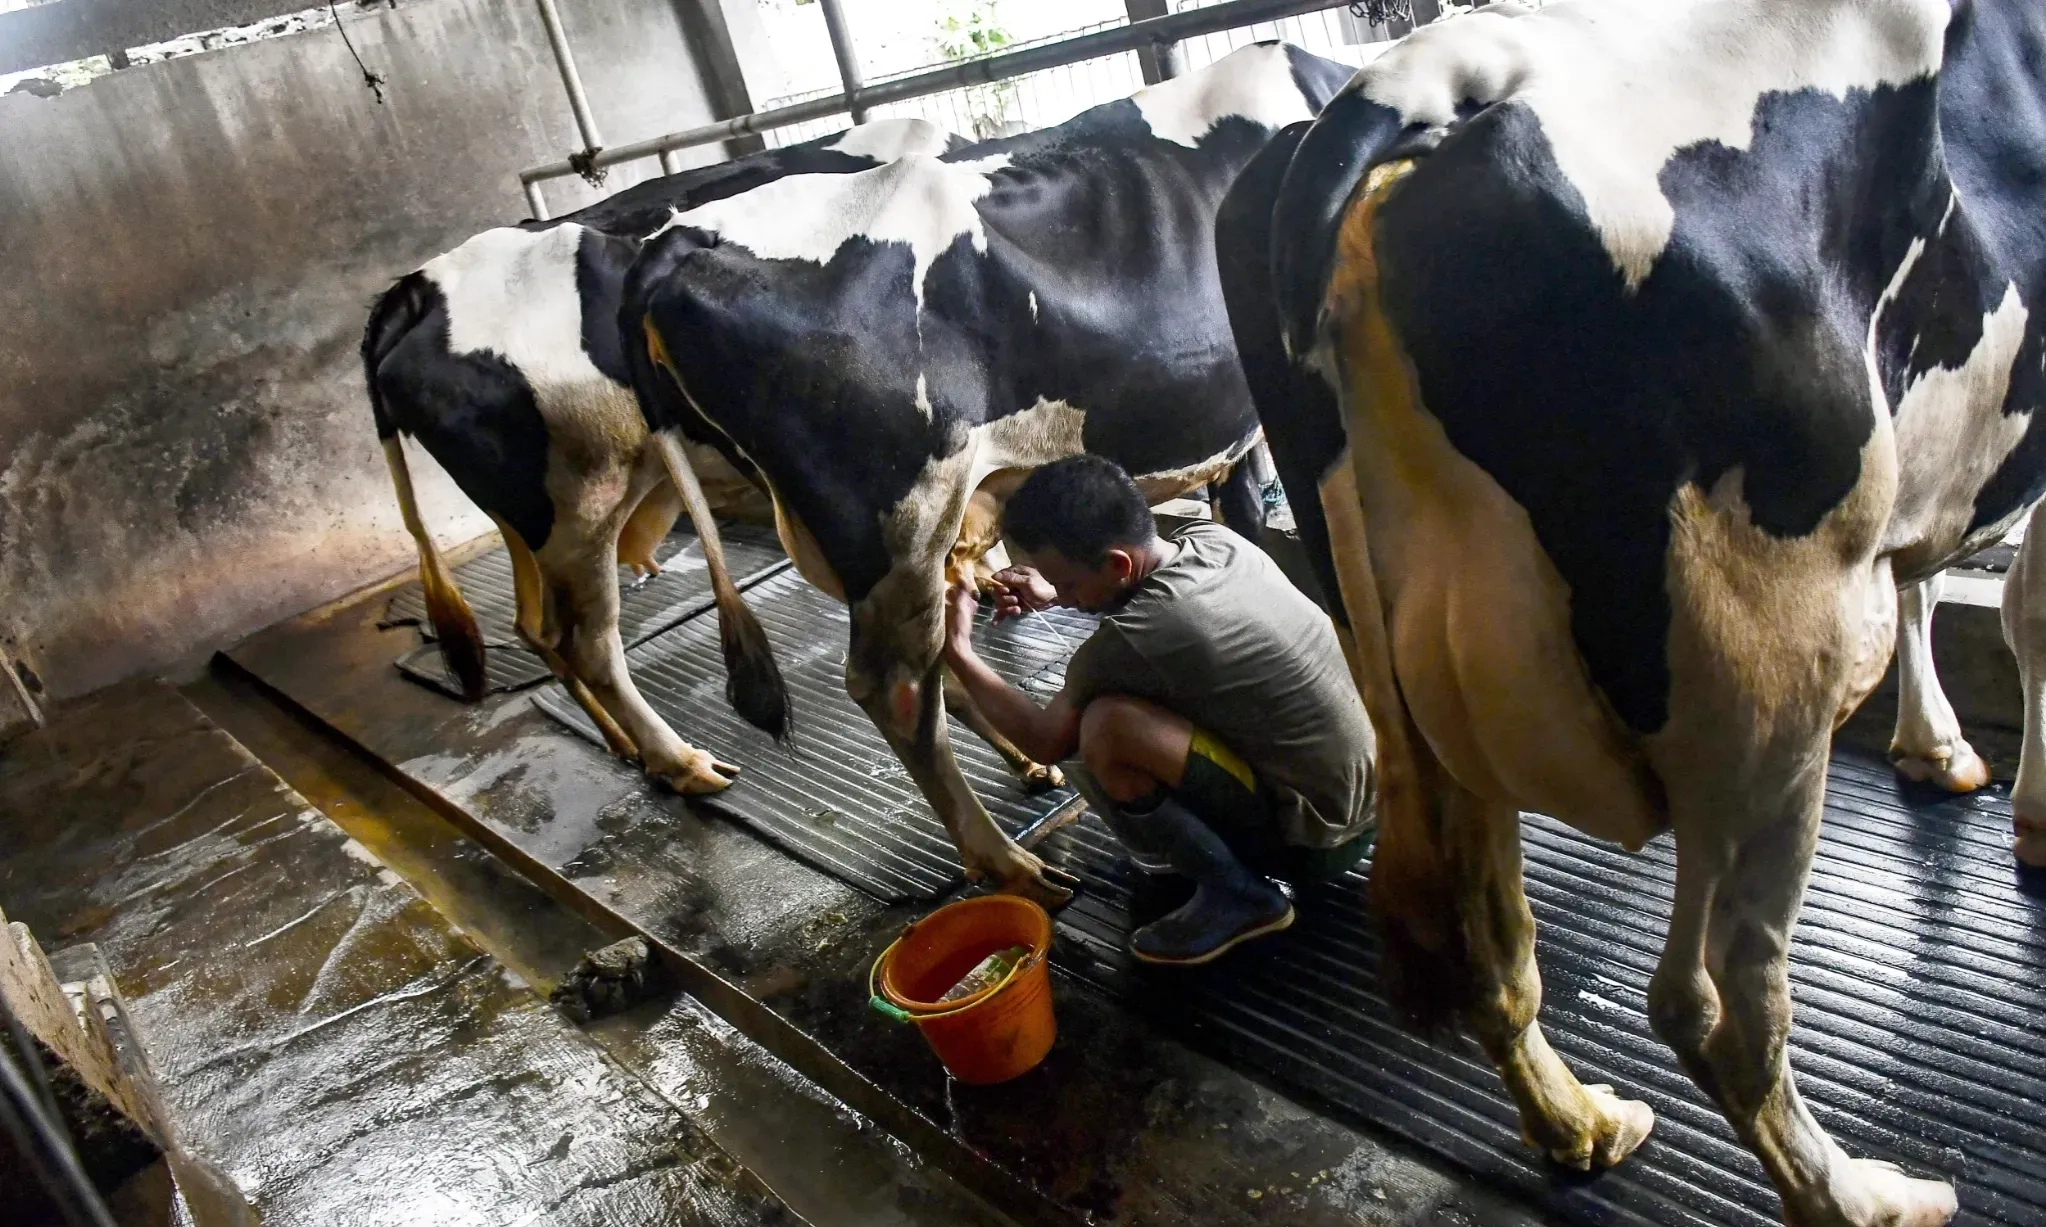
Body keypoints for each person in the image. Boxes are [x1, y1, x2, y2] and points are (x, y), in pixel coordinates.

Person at [942, 455, 1377, 965]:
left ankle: (1242, 897)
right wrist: (1055, 595)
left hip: (1320, 842)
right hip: (1382, 793)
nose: (1065, 597)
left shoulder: (1130, 641)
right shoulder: (1217, 541)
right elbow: (1141, 600)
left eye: (1069, 584)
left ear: (1119, 564)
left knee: (1107, 727)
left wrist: (960, 652)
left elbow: (1043, 741)